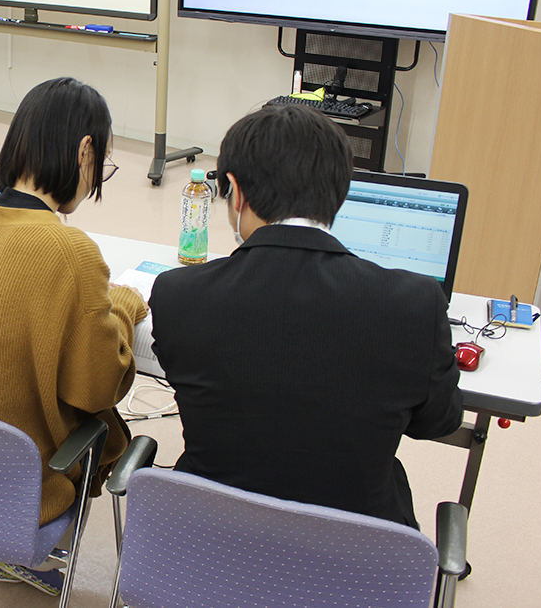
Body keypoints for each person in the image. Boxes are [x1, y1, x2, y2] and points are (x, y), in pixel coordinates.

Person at [149, 105, 462, 529]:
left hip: (212, 543)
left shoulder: (179, 294)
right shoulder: (416, 304)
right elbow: (438, 422)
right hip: (352, 555)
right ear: (340, 192)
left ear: (235, 192)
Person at [0, 77, 148, 593]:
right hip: (14, 498)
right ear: (84, 152)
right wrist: (125, 307)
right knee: (103, 429)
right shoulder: (71, 251)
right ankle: (16, 553)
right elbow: (98, 388)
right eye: (102, 164)